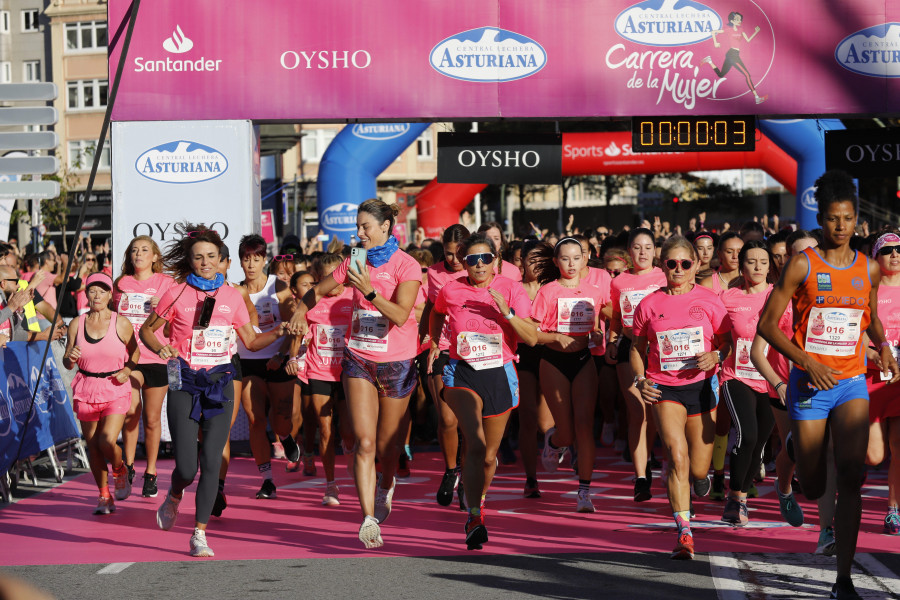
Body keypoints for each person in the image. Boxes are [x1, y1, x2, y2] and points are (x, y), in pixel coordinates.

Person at [757, 171, 899, 600]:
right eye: (833, 219)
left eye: (848, 218)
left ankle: (843, 581)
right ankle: (803, 456)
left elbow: (870, 316)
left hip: (851, 380)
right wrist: (804, 361)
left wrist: (884, 346)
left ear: (857, 220)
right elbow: (767, 324)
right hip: (808, 381)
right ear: (821, 220)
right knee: (816, 483)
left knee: (853, 476)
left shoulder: (868, 268)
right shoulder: (803, 263)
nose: (841, 226)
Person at [141, 225, 287, 558]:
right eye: (198, 258)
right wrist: (162, 348)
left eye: (211, 257)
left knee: (211, 461)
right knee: (187, 467)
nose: (205, 263)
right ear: (190, 261)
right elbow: (148, 331)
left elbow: (250, 340)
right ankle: (175, 493)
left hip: (220, 383)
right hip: (184, 382)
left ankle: (199, 533)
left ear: (222, 260)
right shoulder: (176, 292)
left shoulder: (233, 296)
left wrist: (280, 329)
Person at [288, 199, 421, 549]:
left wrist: (369, 291)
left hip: (397, 361)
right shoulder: (353, 261)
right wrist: (303, 310)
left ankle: (387, 481)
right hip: (359, 357)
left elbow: (402, 315)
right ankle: (367, 519)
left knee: (388, 446)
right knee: (363, 442)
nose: (359, 233)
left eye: (365, 227)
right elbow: (317, 290)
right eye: (357, 227)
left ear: (385, 228)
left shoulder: (407, 265)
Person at [429, 232, 537, 549]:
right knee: (474, 443)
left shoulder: (511, 289)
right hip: (462, 371)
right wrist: (435, 343)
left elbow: (530, 338)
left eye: (485, 258)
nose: (479, 264)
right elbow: (435, 312)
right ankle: (474, 516)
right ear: (464, 263)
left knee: (489, 457)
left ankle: (479, 499)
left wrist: (507, 312)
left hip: (499, 372)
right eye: (472, 259)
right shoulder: (451, 289)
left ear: (495, 260)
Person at [631, 235, 731, 560]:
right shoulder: (649, 304)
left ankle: (698, 479)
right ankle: (684, 533)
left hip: (701, 388)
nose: (678, 269)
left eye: (684, 263)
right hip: (665, 387)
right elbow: (636, 347)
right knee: (677, 456)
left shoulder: (711, 300)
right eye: (671, 263)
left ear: (696, 265)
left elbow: (727, 341)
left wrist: (716, 355)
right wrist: (640, 378)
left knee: (699, 469)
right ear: (663, 266)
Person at [531, 237, 609, 513]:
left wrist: (599, 332)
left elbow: (604, 319)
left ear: (586, 258)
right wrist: (555, 338)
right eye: (565, 258)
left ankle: (584, 492)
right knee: (568, 431)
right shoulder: (547, 291)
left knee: (585, 427)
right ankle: (554, 441)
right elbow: (532, 334)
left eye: (577, 257)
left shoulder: (595, 291)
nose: (571, 263)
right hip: (553, 361)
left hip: (584, 360)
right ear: (556, 261)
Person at [62, 272, 140, 514]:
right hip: (86, 387)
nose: (97, 295)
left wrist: (127, 369)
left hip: (114, 386)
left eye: (102, 290)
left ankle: (120, 469)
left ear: (110, 295)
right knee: (93, 446)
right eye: (92, 291)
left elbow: (135, 352)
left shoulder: (121, 322)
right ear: (86, 294)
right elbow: (67, 360)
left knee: (107, 440)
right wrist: (70, 358)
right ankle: (104, 496)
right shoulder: (77, 323)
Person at [718, 240, 778, 526]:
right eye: (751, 261)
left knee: (760, 441)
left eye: (763, 262)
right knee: (747, 434)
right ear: (741, 265)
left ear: (770, 267)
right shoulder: (727, 297)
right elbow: (714, 334)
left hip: (770, 379)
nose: (757, 266)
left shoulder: (779, 297)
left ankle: (741, 496)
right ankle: (734, 497)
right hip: (736, 376)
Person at [606, 228, 666, 501]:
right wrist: (612, 339)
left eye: (648, 247)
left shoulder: (665, 276)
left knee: (654, 413)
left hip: (660, 352)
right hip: (629, 350)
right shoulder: (619, 282)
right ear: (629, 252)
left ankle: (652, 457)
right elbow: (617, 317)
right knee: (637, 411)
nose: (643, 252)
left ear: (656, 251)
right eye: (637, 248)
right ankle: (641, 477)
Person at [236, 234, 298, 500]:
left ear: (264, 260)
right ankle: (267, 480)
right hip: (248, 361)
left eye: (256, 258)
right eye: (246, 258)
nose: (251, 264)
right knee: (255, 420)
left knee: (281, 420)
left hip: (278, 359)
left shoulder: (278, 287)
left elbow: (294, 328)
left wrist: (283, 354)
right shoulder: (235, 291)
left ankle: (284, 436)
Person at [113, 236, 176, 498]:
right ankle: (128, 466)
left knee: (151, 419)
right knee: (130, 411)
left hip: (158, 356)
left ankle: (151, 472)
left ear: (154, 257)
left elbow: (175, 325)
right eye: (134, 250)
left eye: (144, 250)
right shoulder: (120, 284)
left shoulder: (167, 283)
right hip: (130, 358)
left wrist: (161, 311)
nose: (138, 254)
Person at [291, 252, 353, 505]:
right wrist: (293, 358)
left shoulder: (354, 296)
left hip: (351, 371)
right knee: (326, 430)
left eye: (338, 276)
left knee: (349, 432)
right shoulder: (311, 302)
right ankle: (330, 485)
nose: (334, 282)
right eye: (328, 277)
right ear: (319, 279)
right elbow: (300, 338)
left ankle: (352, 456)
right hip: (320, 371)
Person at [420, 224, 469, 507]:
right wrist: (424, 336)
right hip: (441, 347)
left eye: (458, 253)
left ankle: (468, 478)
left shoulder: (480, 268)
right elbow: (431, 305)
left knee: (468, 423)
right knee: (448, 419)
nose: (453, 259)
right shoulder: (435, 272)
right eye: (448, 253)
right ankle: (451, 471)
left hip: (474, 350)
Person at [700, 231, 744, 498]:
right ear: (719, 255)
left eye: (740, 251)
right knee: (720, 422)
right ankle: (716, 475)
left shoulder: (752, 280)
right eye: (729, 251)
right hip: (715, 357)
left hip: (746, 358)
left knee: (742, 423)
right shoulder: (708, 283)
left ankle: (747, 472)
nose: (736, 256)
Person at [864, 232, 900, 535]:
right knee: (875, 455)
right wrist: (871, 352)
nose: (895, 255)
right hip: (871, 381)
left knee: (899, 448)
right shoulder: (868, 290)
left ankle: (893, 509)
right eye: (887, 250)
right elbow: (857, 330)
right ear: (877, 256)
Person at [516, 239, 554, 498]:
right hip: (523, 354)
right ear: (522, 262)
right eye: (532, 259)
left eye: (542, 260)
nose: (537, 265)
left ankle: (556, 444)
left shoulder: (554, 289)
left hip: (552, 351)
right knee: (527, 417)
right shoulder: (513, 289)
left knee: (548, 421)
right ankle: (531, 478)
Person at [702, 11, 767, 104]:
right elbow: (713, 32)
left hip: (734, 54)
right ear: (732, 21)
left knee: (721, 75)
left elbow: (748, 40)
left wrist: (755, 32)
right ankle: (757, 98)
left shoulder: (741, 30)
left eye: (740, 19)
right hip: (732, 55)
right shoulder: (728, 30)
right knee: (747, 75)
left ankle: (709, 61)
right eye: (737, 19)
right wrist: (715, 42)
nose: (739, 20)